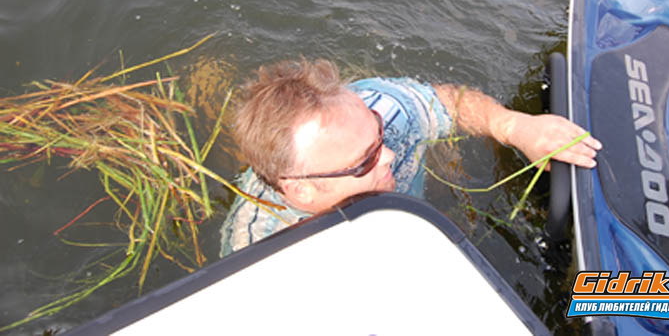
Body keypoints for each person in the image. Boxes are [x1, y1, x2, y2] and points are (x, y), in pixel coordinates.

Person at [220, 58, 602, 256]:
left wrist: (515, 126)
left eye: (377, 132)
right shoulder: (262, 250)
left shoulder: (384, 110)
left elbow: (449, 102)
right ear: (302, 190)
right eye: (364, 161)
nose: (388, 154)